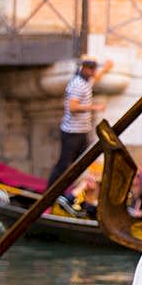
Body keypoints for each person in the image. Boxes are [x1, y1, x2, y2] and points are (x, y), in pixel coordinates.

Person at [48, 57, 113, 189]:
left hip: (82, 131)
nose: (94, 72)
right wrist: (95, 107)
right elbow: (72, 107)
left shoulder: (86, 81)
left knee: (83, 163)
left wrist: (105, 68)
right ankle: (48, 192)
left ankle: (69, 190)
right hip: (72, 133)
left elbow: (95, 78)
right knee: (64, 164)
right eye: (92, 70)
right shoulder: (77, 84)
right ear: (85, 69)